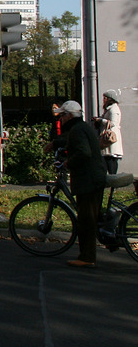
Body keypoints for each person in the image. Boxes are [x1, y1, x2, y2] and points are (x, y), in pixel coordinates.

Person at [56, 100, 107, 268]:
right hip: (95, 176)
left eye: (62, 115)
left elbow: (83, 152)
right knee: (91, 217)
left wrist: (68, 163)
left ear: (70, 116)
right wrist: (55, 144)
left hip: (88, 179)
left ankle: (87, 257)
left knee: (87, 220)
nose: (61, 119)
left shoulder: (77, 130)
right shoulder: (83, 127)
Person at [96, 89, 124, 175]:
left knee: (111, 160)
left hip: (110, 137)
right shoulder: (109, 109)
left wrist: (101, 120)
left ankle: (113, 184)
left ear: (110, 99)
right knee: (105, 159)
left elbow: (113, 123)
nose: (103, 100)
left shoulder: (114, 109)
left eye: (105, 98)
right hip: (106, 137)